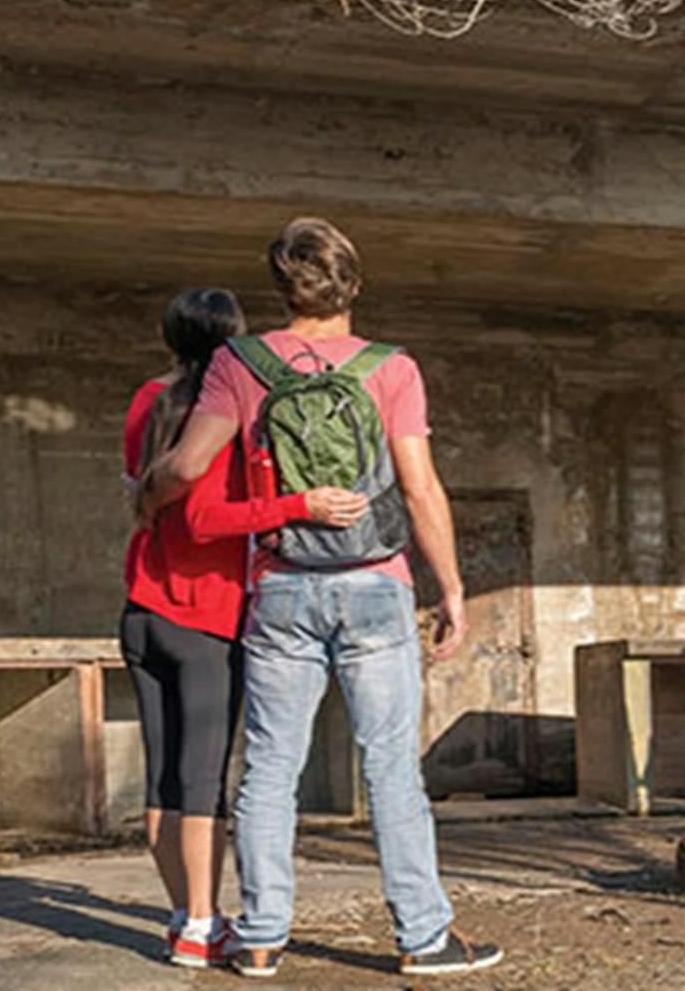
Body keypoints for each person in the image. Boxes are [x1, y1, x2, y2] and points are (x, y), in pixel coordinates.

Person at [142, 218, 501, 979]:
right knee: (390, 767)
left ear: (281, 288)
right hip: (376, 584)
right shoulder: (392, 368)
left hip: (281, 586)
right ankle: (423, 938)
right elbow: (419, 486)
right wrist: (453, 588)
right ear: (354, 287)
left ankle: (263, 936)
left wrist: (147, 494)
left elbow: (189, 465)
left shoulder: (239, 363)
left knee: (270, 767)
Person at [121, 289, 366, 969]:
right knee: (203, 780)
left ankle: (184, 916)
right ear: (233, 340)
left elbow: (137, 488)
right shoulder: (228, 406)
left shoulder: (147, 398)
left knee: (162, 779)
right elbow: (206, 518)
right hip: (207, 614)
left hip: (141, 608)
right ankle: (202, 924)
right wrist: (298, 504)